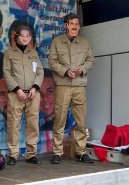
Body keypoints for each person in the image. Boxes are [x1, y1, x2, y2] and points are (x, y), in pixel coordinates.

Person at [48, 13, 95, 164]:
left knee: (81, 120)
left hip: (79, 86)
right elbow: (51, 62)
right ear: (66, 26)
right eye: (72, 24)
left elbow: (91, 60)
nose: (75, 26)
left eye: (77, 24)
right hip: (63, 85)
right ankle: (57, 152)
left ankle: (81, 152)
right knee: (60, 118)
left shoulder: (85, 43)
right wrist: (64, 71)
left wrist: (83, 69)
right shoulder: (57, 42)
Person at [3, 26, 44, 165]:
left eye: (28, 36)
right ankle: (13, 155)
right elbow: (7, 72)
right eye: (22, 35)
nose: (25, 38)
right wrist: (17, 89)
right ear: (17, 37)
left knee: (33, 124)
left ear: (31, 38)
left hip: (32, 94)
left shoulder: (33, 53)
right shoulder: (10, 53)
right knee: (14, 124)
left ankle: (31, 154)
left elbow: (40, 72)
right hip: (16, 94)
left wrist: (35, 87)